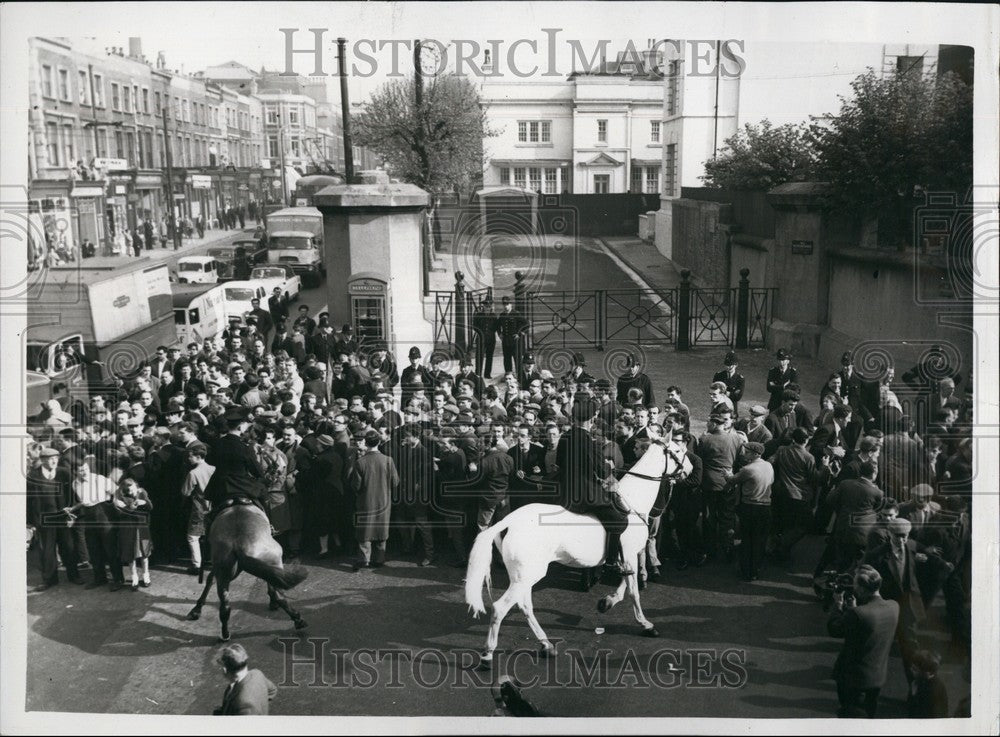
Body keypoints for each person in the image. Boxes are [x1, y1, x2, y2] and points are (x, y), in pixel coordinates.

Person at [558, 400, 627, 575]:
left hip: (564, 492)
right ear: (593, 417)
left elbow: (559, 462)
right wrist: (608, 467)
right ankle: (611, 563)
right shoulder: (589, 441)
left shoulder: (565, 436)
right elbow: (602, 471)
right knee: (618, 520)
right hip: (585, 495)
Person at [827, 564, 900, 718]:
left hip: (853, 680)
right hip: (876, 677)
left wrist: (838, 605)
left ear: (860, 589)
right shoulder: (894, 606)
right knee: (869, 712)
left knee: (851, 714)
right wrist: (854, 609)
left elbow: (834, 629)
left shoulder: (858, 614)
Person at [26, 447, 83, 590]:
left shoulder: (64, 473)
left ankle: (73, 575)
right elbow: (29, 500)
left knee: (68, 547)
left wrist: (73, 515)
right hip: (45, 520)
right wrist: (31, 522)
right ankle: (49, 580)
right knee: (47, 550)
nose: (54, 461)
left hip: (63, 517)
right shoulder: (34, 476)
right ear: (43, 460)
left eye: (56, 458)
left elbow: (72, 495)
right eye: (51, 459)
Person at [349, 430, 399, 571]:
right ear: (379, 442)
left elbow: (356, 486)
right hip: (383, 501)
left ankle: (364, 560)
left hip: (366, 502)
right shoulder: (388, 460)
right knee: (381, 531)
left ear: (365, 442)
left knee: (364, 532)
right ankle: (379, 559)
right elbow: (395, 482)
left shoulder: (360, 462)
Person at [725, 442, 773, 582]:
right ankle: (756, 570)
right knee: (760, 540)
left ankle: (746, 571)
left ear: (755, 454)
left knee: (747, 541)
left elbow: (732, 480)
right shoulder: (768, 465)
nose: (744, 454)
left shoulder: (748, 469)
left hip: (750, 508)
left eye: (747, 452)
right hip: (766, 507)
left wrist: (726, 474)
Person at [213, 644, 278, 715]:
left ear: (224, 669)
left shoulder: (245, 707)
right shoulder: (257, 673)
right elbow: (272, 690)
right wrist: (260, 703)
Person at [113, 477, 153, 591]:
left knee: (145, 552)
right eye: (128, 490)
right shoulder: (119, 497)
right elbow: (119, 514)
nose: (131, 492)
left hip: (142, 528)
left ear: (136, 485)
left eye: (133, 489)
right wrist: (130, 508)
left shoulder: (142, 492)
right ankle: (134, 577)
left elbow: (150, 507)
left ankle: (146, 575)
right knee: (130, 554)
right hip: (128, 529)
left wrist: (144, 501)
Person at [180, 442, 214, 575]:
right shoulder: (213, 469)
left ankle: (196, 564)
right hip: (214, 506)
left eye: (191, 456)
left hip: (199, 507)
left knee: (192, 537)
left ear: (198, 456)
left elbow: (185, 492)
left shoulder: (193, 473)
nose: (189, 459)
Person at [907, 650, 949, 718]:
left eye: (914, 669)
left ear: (927, 673)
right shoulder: (923, 680)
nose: (910, 669)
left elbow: (920, 713)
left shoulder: (932, 690)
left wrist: (914, 695)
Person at [495, 296, 528, 374]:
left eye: (507, 304)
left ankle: (520, 376)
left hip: (515, 341)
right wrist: (499, 334)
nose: (506, 306)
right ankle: (508, 375)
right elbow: (497, 326)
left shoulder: (516, 314)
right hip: (505, 341)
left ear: (510, 305)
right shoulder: (502, 315)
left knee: (517, 359)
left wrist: (519, 333)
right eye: (504, 304)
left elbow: (526, 323)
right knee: (507, 359)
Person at [713, 351, 745, 417]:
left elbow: (738, 397)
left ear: (736, 365)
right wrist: (730, 393)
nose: (728, 367)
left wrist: (725, 393)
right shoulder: (718, 375)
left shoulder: (740, 379)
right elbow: (714, 392)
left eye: (730, 365)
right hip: (719, 407)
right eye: (726, 365)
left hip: (732, 408)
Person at [472, 297, 498, 379]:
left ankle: (487, 374)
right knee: (479, 356)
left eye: (489, 306)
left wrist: (490, 333)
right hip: (480, 339)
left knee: (489, 357)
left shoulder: (494, 316)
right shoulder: (478, 315)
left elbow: (496, 327)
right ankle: (478, 374)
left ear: (491, 307)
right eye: (486, 306)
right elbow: (474, 326)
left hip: (491, 339)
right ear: (483, 306)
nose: (488, 307)